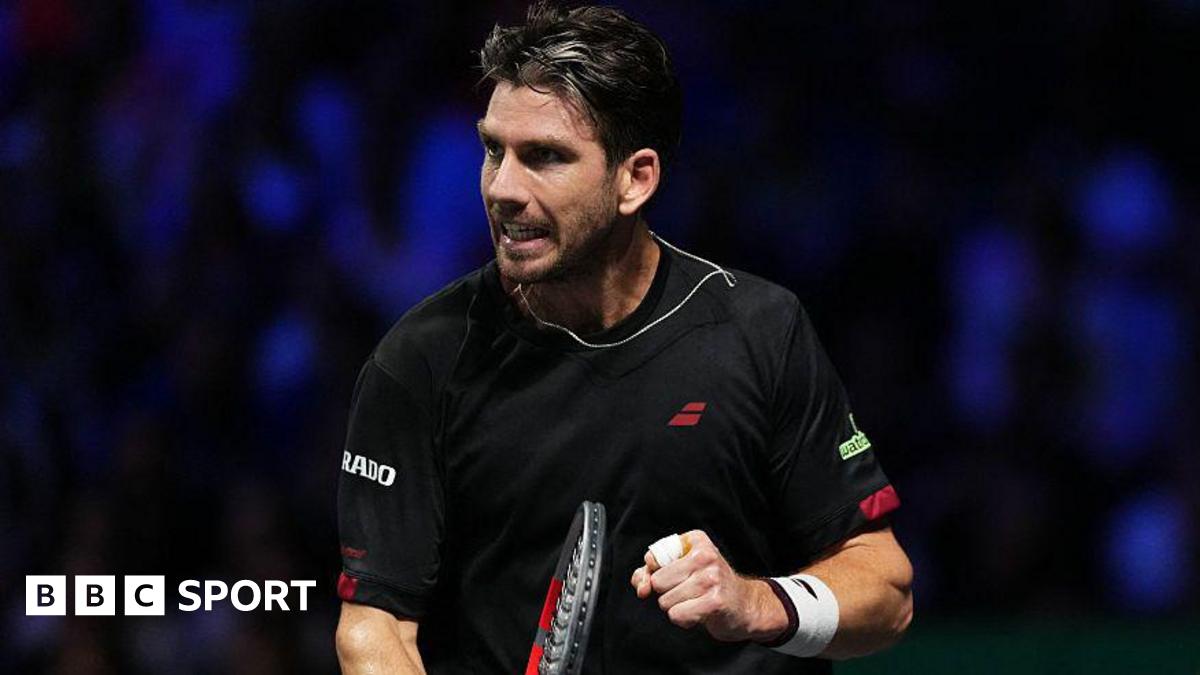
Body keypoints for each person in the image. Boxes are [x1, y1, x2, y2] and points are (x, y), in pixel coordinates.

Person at [334, 3, 913, 673]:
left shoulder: (760, 331)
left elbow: (886, 586)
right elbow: (374, 631)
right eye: (494, 150)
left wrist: (759, 603)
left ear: (635, 178)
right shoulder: (419, 361)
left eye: (544, 156)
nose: (503, 188)